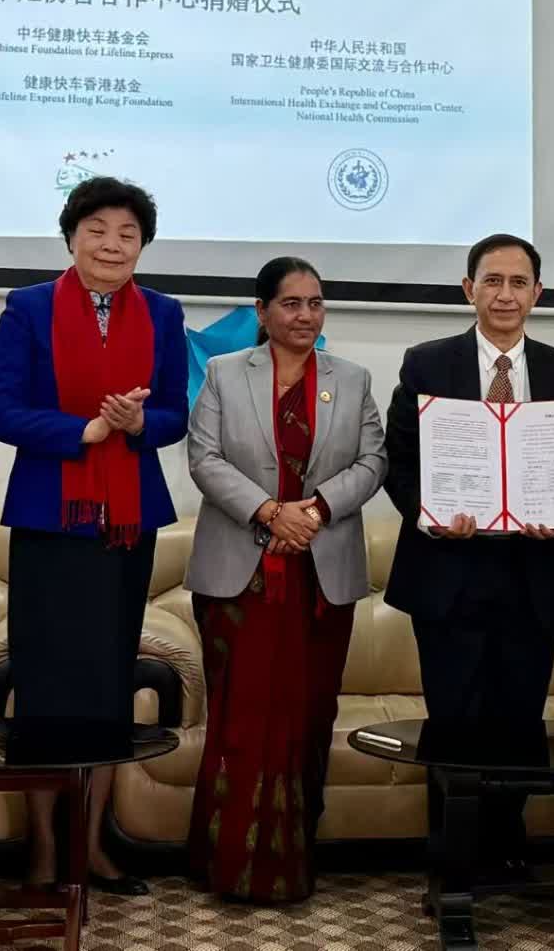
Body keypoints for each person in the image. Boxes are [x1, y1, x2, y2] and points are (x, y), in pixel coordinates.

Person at [0, 176, 189, 896]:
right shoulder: (30, 307)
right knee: (43, 689)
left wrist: (139, 424)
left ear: (142, 246)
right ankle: (43, 847)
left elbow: (176, 413)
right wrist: (84, 431)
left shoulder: (162, 313)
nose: (112, 244)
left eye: (127, 234)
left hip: (125, 526)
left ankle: (93, 844)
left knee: (107, 688)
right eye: (97, 229)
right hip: (51, 519)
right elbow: (0, 409)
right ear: (71, 237)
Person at [383, 233, 554, 873]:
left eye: (518, 282)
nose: (505, 294)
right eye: (492, 281)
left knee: (520, 723)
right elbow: (399, 462)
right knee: (453, 723)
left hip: (531, 576)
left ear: (537, 293)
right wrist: (433, 516)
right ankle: (451, 859)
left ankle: (506, 853)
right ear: (469, 289)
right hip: (449, 574)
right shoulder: (426, 364)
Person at [185, 257, 388, 903]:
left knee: (307, 715)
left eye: (315, 303)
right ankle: (227, 861)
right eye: (291, 303)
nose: (305, 315)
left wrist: (316, 511)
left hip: (320, 579)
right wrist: (271, 512)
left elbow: (374, 461)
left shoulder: (352, 380)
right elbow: (204, 459)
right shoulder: (224, 373)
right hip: (238, 579)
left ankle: (293, 861)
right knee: (241, 718)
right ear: (263, 311)